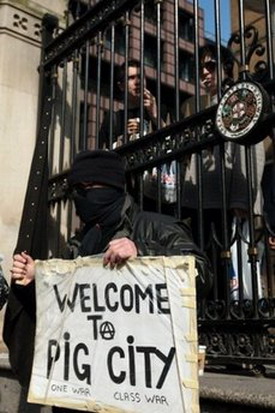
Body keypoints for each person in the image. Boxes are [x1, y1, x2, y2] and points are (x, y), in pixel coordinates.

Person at [4, 149, 211, 413]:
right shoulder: (80, 243)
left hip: (134, 389)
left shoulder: (156, 227)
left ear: (112, 185)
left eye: (89, 186)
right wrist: (37, 279)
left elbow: (201, 274)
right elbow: (66, 306)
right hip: (83, 388)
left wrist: (142, 252)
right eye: (77, 188)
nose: (82, 195)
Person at [180, 44, 266, 298]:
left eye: (211, 66)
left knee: (232, 268)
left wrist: (243, 197)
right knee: (206, 264)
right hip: (200, 200)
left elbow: (254, 147)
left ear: (227, 68)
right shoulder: (199, 105)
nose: (204, 73)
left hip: (228, 200)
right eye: (201, 68)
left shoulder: (237, 98)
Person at [99, 59, 176, 214]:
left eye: (141, 77)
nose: (138, 81)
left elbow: (175, 146)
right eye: (131, 78)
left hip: (156, 199)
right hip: (123, 198)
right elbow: (104, 159)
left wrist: (154, 116)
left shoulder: (161, 110)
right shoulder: (113, 119)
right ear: (121, 86)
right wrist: (125, 140)